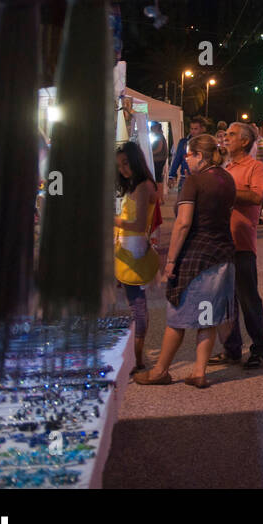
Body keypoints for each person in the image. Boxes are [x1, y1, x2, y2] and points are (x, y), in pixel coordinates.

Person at [135, 133, 235, 388]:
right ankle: (199, 371)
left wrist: (170, 261)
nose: (186, 160)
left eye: (188, 155)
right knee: (206, 317)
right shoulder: (227, 178)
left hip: (196, 255)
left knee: (177, 315)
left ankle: (160, 371)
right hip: (222, 255)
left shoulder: (195, 181)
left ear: (199, 156)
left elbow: (183, 223)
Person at [210, 123, 263, 370]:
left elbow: (257, 196)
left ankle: (260, 348)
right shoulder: (225, 166)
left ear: (246, 142)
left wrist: (225, 191)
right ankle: (232, 349)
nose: (226, 137)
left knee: (248, 299)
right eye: (226, 134)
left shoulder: (255, 167)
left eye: (233, 135)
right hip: (220, 241)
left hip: (242, 243)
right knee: (225, 300)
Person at [114, 142, 159, 374]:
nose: (122, 169)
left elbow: (140, 224)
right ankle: (136, 355)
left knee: (137, 306)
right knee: (134, 304)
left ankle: (138, 357)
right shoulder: (136, 185)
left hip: (135, 252)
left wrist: (113, 220)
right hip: (127, 250)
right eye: (119, 165)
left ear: (136, 161)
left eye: (126, 163)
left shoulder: (143, 187)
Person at [167, 115, 207, 200]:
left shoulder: (206, 143)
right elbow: (177, 159)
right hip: (185, 178)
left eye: (196, 129)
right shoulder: (183, 142)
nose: (193, 131)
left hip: (201, 179)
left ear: (202, 129)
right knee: (181, 204)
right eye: (191, 128)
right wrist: (171, 175)